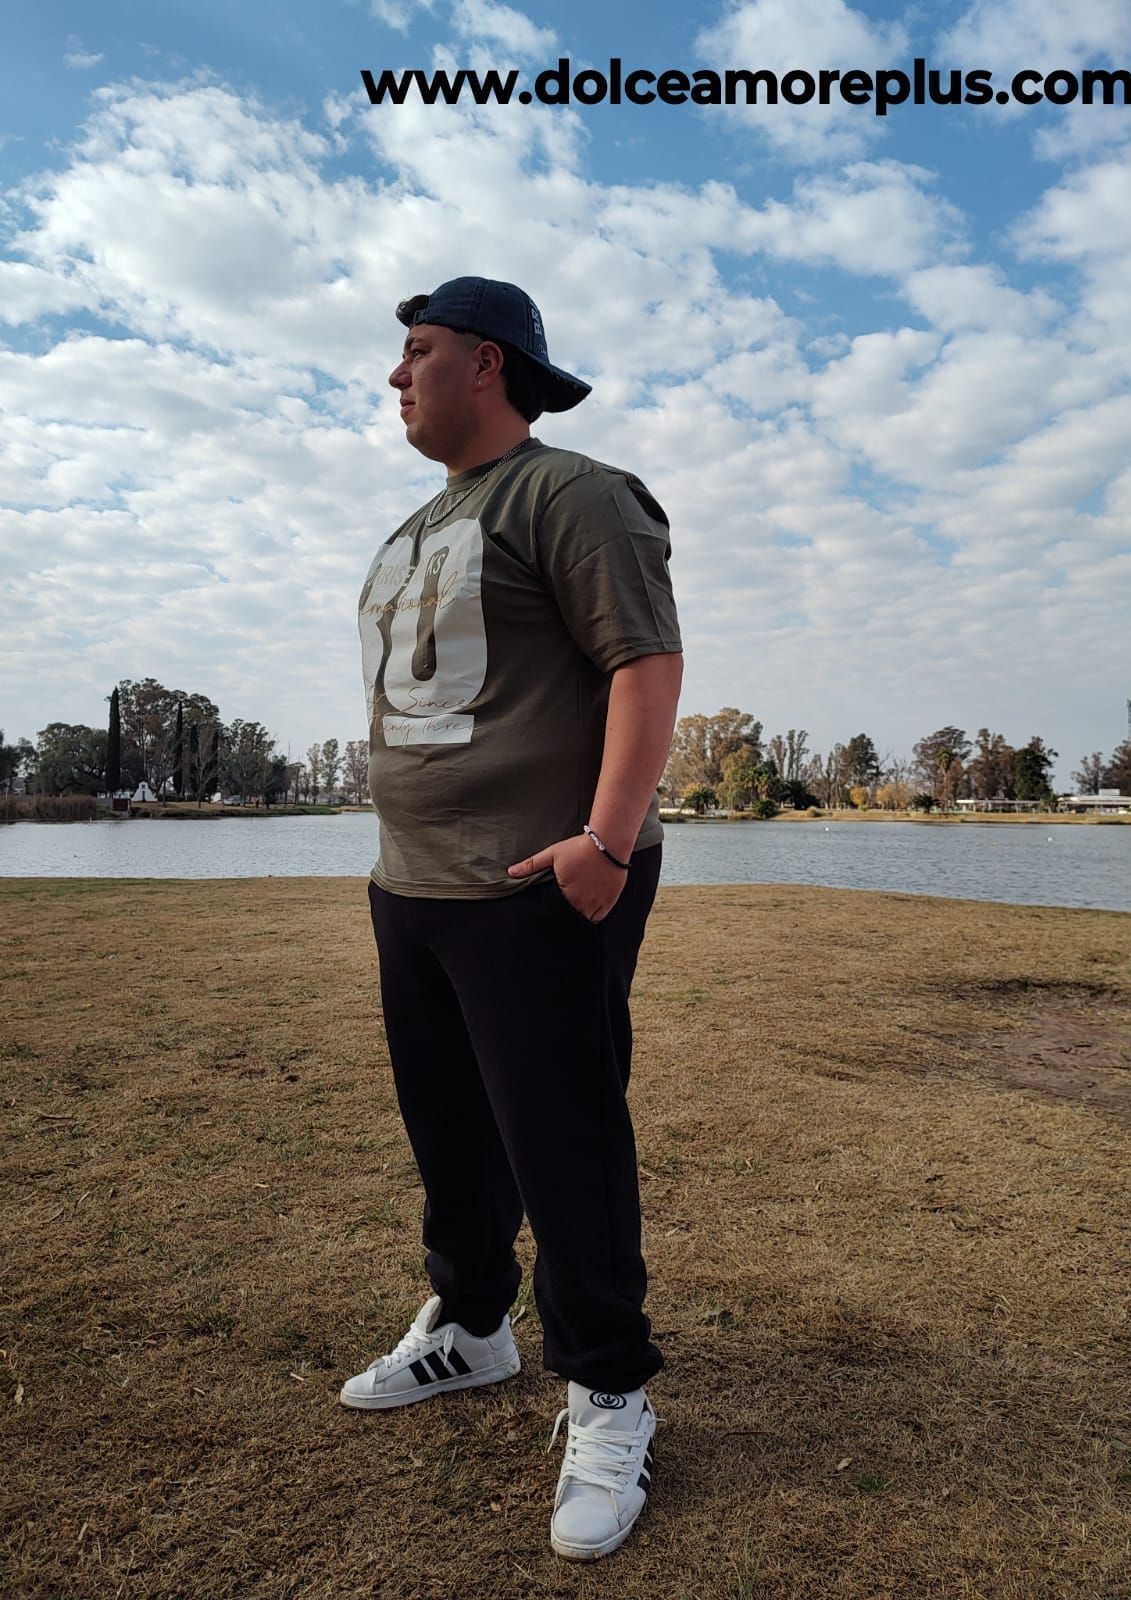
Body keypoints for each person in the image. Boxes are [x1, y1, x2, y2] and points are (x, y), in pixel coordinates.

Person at [342, 276, 684, 1561]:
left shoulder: (576, 493)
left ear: (486, 363)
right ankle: (474, 1325)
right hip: (415, 882)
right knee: (449, 1128)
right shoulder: (413, 525)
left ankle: (608, 1389)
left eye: (415, 353)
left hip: (542, 880)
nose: (396, 376)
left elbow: (646, 663)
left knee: (563, 1138)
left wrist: (604, 841)